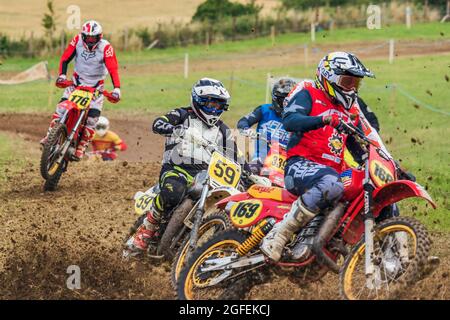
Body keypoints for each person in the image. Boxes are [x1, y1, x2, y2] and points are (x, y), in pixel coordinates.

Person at [260, 52, 375, 262]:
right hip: (300, 166)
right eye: (347, 81)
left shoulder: (348, 111)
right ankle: (280, 233)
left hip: (332, 172)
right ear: (329, 77)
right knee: (332, 183)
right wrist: (323, 119)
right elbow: (290, 120)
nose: (351, 88)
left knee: (369, 184)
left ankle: (395, 250)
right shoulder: (309, 93)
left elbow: (359, 147)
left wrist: (384, 164)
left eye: (355, 83)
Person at [124, 78, 244, 256]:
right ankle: (147, 228)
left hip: (205, 175)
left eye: (220, 106)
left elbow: (237, 156)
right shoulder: (183, 114)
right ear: (199, 101)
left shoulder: (223, 130)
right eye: (212, 104)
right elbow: (158, 123)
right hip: (176, 169)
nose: (215, 109)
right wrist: (177, 129)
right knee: (173, 192)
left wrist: (251, 173)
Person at [40, 20, 121, 160]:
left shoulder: (105, 47)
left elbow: (113, 68)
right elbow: (65, 58)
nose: (90, 41)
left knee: (92, 119)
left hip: (95, 87)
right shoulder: (77, 40)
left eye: (93, 38)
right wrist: (62, 76)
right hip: (76, 83)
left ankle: (82, 145)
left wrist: (117, 89)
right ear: (83, 36)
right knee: (61, 108)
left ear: (99, 37)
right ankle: (49, 135)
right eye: (87, 37)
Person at [236, 78, 296, 174]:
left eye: (290, 101)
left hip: (286, 161)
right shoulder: (264, 110)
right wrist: (247, 130)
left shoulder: (299, 118)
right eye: (283, 101)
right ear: (275, 99)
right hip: (260, 158)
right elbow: (243, 121)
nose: (286, 105)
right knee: (248, 175)